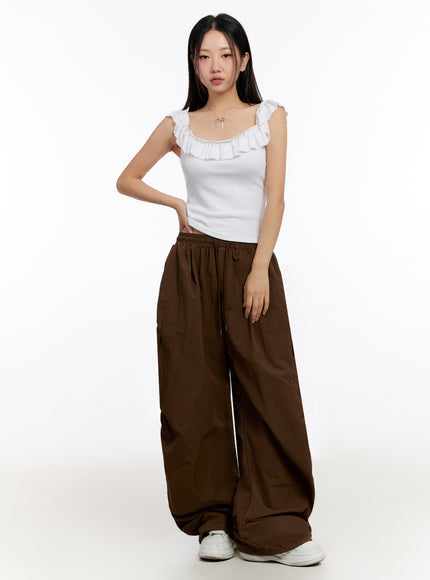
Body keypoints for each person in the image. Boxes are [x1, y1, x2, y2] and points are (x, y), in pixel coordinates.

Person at [116, 13, 325, 567]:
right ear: (194, 63)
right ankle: (212, 520)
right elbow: (126, 178)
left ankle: (275, 524)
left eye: (225, 55)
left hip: (250, 263)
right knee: (194, 393)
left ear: (243, 60)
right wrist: (176, 204)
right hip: (191, 265)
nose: (215, 66)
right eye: (204, 55)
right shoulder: (178, 125)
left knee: (268, 390)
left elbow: (275, 199)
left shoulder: (269, 117)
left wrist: (259, 269)